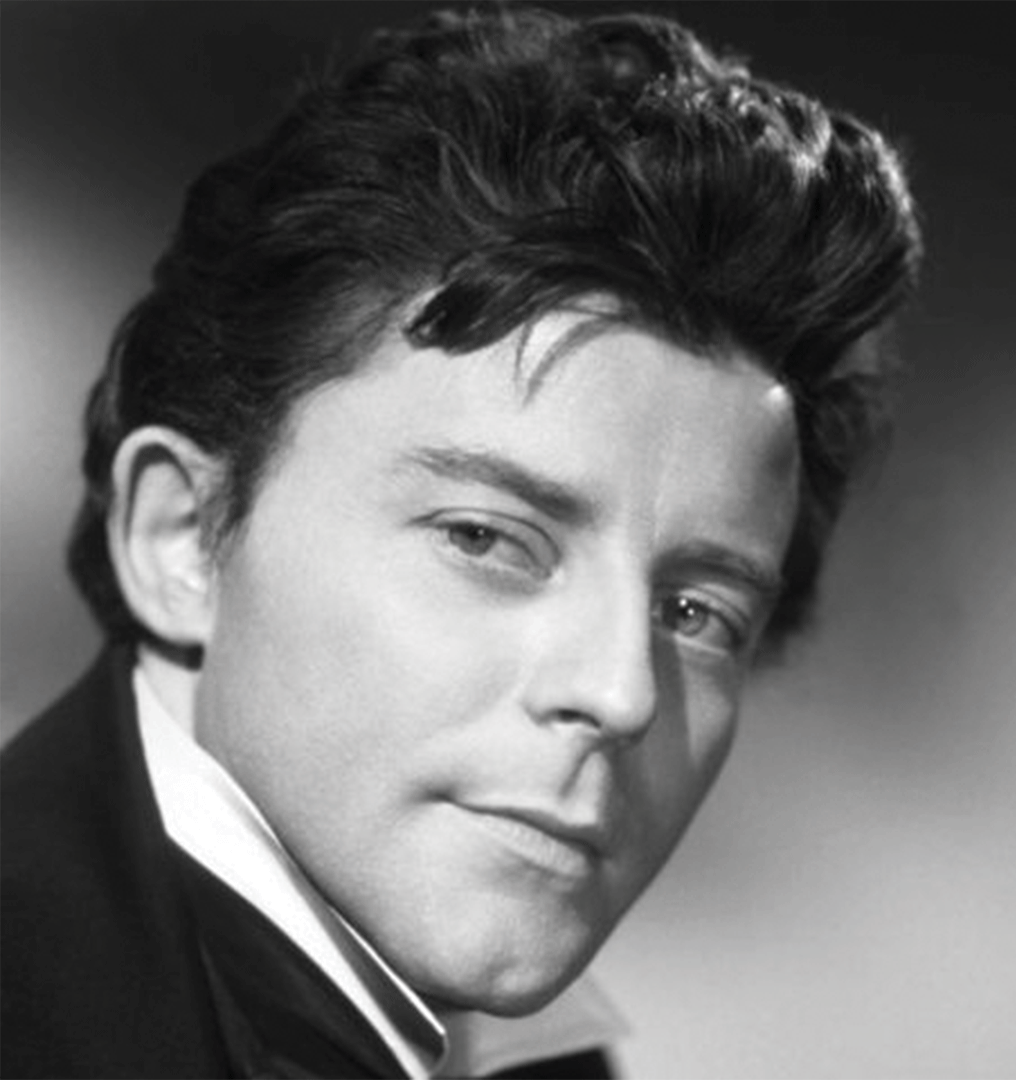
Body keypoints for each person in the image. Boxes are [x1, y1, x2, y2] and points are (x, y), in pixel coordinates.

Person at [0, 5, 922, 1078]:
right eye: (486, 539)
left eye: (696, 612)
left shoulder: (536, 1057)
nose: (621, 694)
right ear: (182, 540)